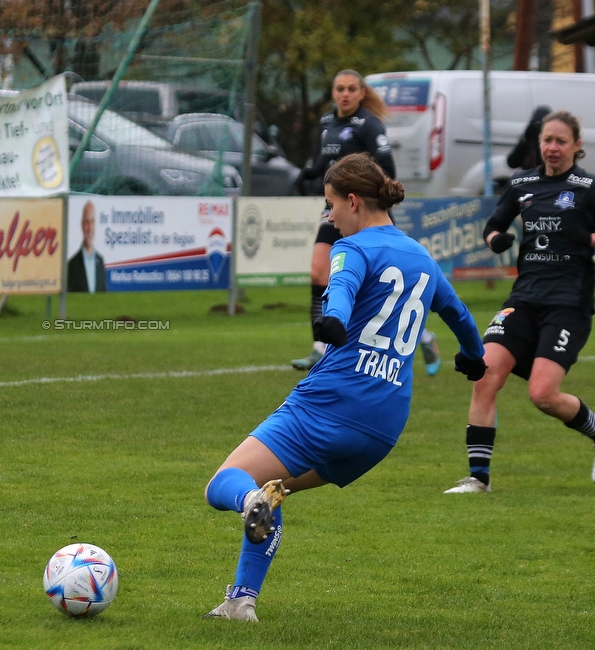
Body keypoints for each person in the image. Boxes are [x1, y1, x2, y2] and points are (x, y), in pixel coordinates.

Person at [203, 152, 485, 621]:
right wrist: (472, 358)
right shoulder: (421, 256)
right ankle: (240, 602)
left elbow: (341, 289)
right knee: (275, 491)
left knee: (225, 486)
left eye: (330, 204)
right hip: (383, 428)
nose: (328, 216)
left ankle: (249, 502)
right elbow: (458, 314)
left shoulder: (351, 248)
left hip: (329, 406)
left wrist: (331, 319)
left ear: (353, 201)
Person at [445, 110, 595, 494]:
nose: (552, 147)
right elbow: (493, 226)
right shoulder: (522, 182)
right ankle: (478, 479)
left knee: (542, 395)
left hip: (568, 305)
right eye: (547, 140)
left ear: (577, 146)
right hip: (523, 300)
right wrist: (496, 240)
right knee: (484, 375)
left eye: (561, 141)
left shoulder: (587, 187)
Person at [292, 69, 442, 375]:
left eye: (351, 89)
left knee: (380, 284)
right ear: (333, 93)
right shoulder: (325, 123)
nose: (345, 94)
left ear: (362, 94)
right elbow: (324, 161)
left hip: (367, 212)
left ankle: (424, 335)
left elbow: (387, 166)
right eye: (339, 89)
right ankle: (320, 349)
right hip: (334, 208)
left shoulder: (370, 125)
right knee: (319, 272)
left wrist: (370, 195)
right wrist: (310, 172)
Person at [66, 200, 106, 292]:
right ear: (82, 225)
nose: (90, 228)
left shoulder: (100, 261)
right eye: (87, 222)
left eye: (92, 221)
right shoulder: (72, 264)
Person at [506, 105, 552, 171]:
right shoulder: (529, 137)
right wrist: (525, 140)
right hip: (528, 178)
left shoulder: (552, 142)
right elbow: (511, 163)